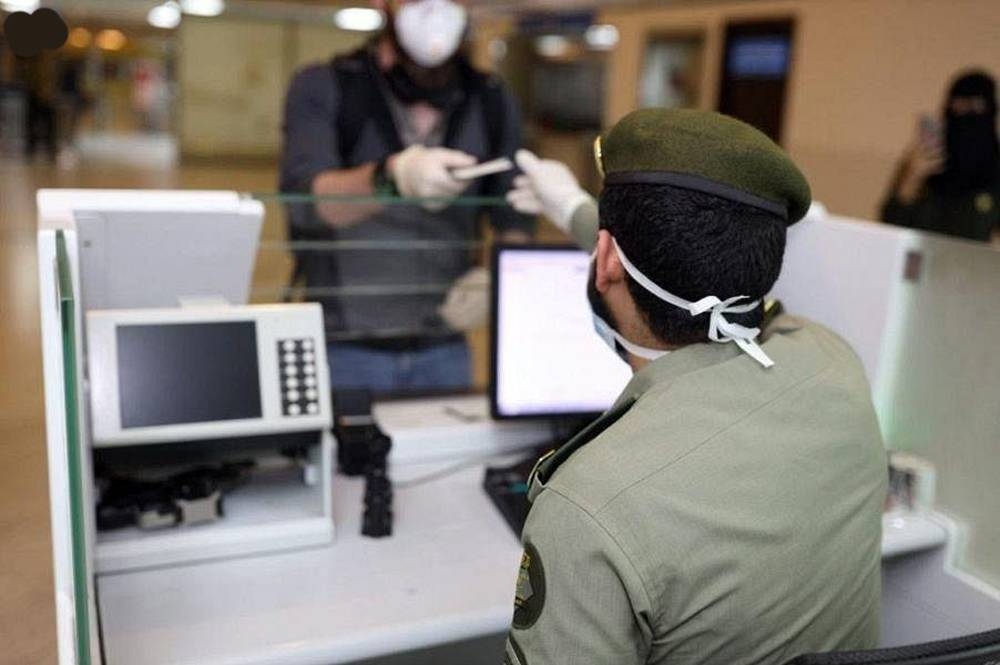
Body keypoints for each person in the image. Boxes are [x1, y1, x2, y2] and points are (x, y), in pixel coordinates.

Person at [502, 109, 887, 665]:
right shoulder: (832, 360)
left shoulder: (587, 506)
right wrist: (575, 212)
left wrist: (592, 220)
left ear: (606, 258)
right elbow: (703, 281)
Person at [279, 0, 531, 395]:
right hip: (347, 348)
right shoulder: (327, 86)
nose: (434, 8)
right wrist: (393, 177)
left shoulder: (491, 99)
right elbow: (308, 205)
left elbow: (514, 214)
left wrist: (496, 279)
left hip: (445, 347)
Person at [881, 70, 999, 242]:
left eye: (975, 106)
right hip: (918, 261)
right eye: (960, 105)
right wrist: (912, 178)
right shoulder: (925, 155)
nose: (966, 114)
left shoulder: (994, 167)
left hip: (968, 265)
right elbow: (890, 222)